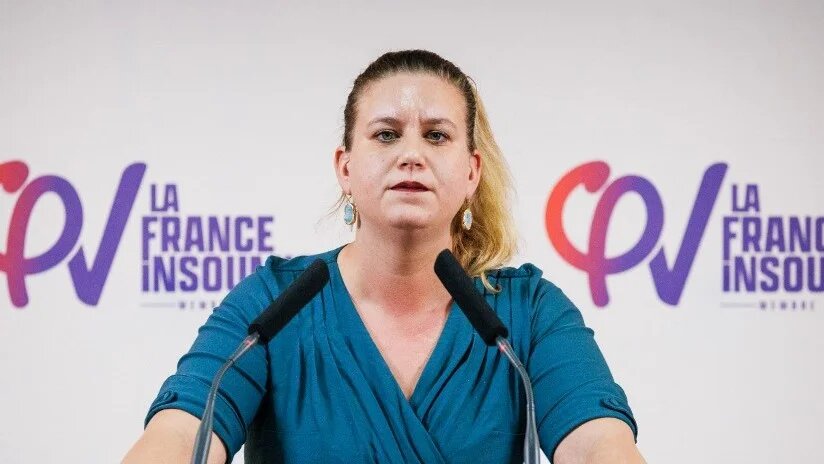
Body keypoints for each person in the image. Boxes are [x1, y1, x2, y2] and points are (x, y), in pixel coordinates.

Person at [123, 49, 645, 464]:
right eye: (387, 135)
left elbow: (599, 441)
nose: (411, 153)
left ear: (471, 171)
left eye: (437, 136)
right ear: (345, 167)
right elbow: (183, 427)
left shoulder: (529, 314)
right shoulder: (272, 304)